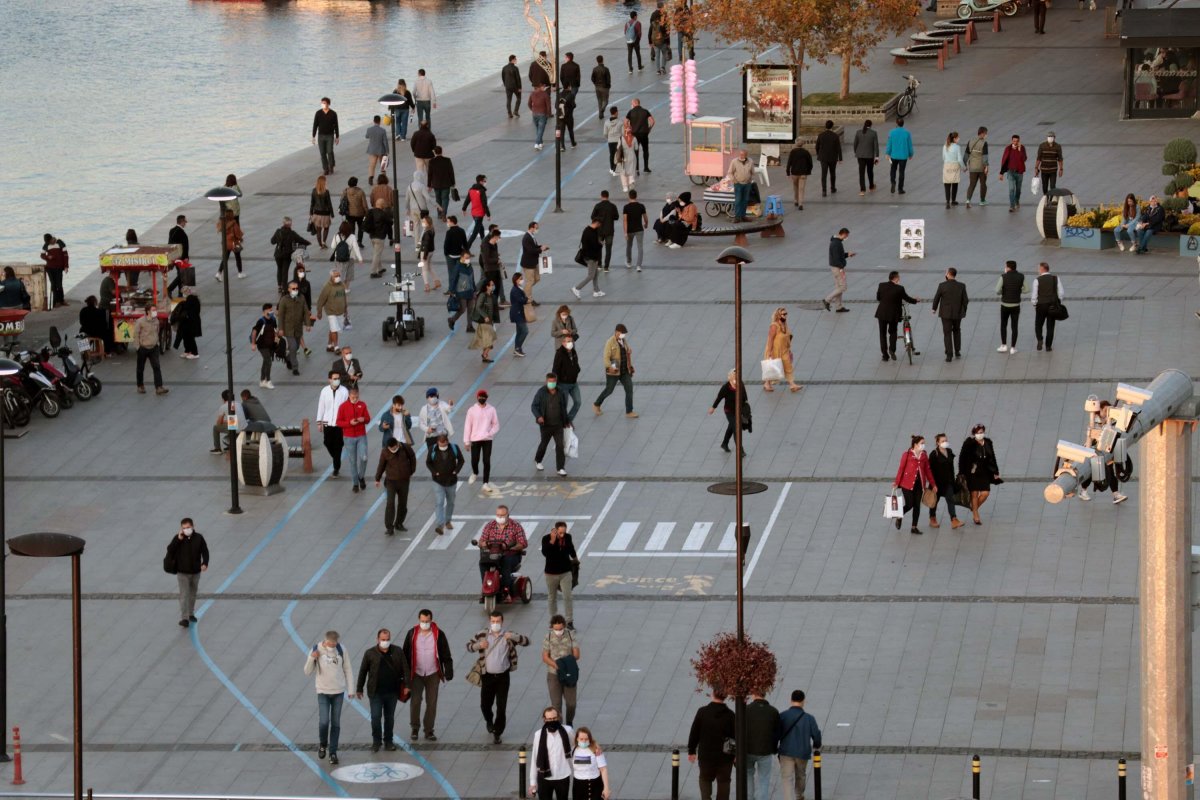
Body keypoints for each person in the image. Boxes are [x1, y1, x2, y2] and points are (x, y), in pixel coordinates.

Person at [466, 612, 530, 745]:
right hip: (487, 676)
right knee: (485, 704)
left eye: (498, 621)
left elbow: (527, 641)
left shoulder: (508, 635)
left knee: (501, 707)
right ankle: (489, 720)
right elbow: (469, 646)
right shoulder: (482, 634)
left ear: (502, 622)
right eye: (493, 621)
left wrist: (513, 636)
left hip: (503, 677)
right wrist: (479, 645)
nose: (495, 624)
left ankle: (498, 732)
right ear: (490, 621)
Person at [303, 630, 354, 766]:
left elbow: (348, 669)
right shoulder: (316, 649)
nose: (332, 646)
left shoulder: (341, 649)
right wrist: (312, 658)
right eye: (330, 644)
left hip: (338, 691)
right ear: (325, 641)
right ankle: (323, 744)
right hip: (323, 691)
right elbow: (307, 671)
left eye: (334, 643)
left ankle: (333, 752)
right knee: (324, 721)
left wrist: (351, 689)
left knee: (336, 723)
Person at [402, 609, 454, 742]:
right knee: (415, 701)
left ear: (431, 620)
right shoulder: (412, 634)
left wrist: (448, 670)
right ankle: (415, 728)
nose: (424, 623)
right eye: (422, 621)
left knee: (431, 703)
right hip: (416, 673)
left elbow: (446, 653)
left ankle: (429, 730)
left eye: (427, 621)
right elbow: (404, 654)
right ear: (419, 620)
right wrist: (404, 675)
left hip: (433, 673)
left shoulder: (438, 634)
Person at [355, 629, 407, 753]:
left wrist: (407, 685)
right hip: (375, 692)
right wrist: (359, 688)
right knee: (376, 717)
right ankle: (376, 741)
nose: (385, 642)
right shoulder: (370, 653)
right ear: (377, 640)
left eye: (387, 639)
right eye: (383, 640)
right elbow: (363, 671)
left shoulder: (397, 651)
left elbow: (406, 668)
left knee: (389, 718)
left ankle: (388, 741)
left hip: (392, 692)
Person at [687, 690, 735, 800]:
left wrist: (692, 751)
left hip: (706, 756)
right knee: (724, 782)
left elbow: (694, 732)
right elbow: (734, 737)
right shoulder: (730, 715)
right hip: (725, 757)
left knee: (705, 780)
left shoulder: (702, 712)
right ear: (726, 696)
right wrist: (734, 755)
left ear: (712, 694)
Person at [776, 690, 822, 800]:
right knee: (801, 775)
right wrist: (817, 744)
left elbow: (776, 734)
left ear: (791, 700)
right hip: (802, 752)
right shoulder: (809, 718)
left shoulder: (782, 716)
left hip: (786, 752)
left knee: (787, 777)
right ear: (803, 701)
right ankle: (799, 795)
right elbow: (816, 735)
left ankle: (788, 798)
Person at [164, 518, 208, 627]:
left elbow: (205, 551)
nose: (186, 530)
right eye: (183, 528)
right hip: (182, 572)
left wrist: (205, 563)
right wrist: (178, 539)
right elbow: (170, 549)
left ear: (193, 526)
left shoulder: (199, 538)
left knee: (192, 594)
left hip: (196, 572)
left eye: (188, 527)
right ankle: (184, 618)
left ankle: (191, 613)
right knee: (184, 595)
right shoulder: (178, 538)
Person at [959, 423, 1001, 525]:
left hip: (985, 472)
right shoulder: (969, 443)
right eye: (978, 433)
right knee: (974, 494)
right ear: (974, 434)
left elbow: (992, 457)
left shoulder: (987, 442)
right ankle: (976, 515)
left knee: (985, 493)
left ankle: (974, 507)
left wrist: (996, 471)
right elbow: (962, 458)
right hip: (973, 472)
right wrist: (962, 473)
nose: (980, 434)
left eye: (982, 432)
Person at [542, 617, 581, 728]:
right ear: (552, 627)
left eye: (560, 629)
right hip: (554, 674)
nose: (558, 631)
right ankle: (559, 726)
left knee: (571, 704)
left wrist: (566, 664)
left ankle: (569, 722)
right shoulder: (548, 637)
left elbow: (577, 654)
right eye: (556, 629)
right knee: (556, 704)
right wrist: (557, 665)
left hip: (569, 673)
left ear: (564, 626)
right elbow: (545, 657)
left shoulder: (570, 635)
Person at [892, 434, 935, 534]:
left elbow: (928, 470)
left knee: (917, 506)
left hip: (919, 485)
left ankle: (914, 527)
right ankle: (899, 515)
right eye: (922, 443)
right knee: (910, 504)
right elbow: (901, 469)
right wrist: (896, 482)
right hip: (907, 485)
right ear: (915, 444)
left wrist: (933, 484)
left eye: (924, 443)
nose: (923, 445)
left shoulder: (924, 455)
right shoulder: (907, 455)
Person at [374, 436, 417, 536]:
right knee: (390, 503)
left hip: (404, 481)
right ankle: (389, 527)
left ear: (397, 444)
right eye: (391, 449)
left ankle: (399, 523)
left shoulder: (405, 447)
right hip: (391, 481)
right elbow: (381, 465)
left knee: (403, 504)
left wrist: (411, 471)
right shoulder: (385, 452)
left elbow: (412, 457)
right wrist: (377, 478)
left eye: (394, 448)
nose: (393, 450)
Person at [594, 324, 637, 418]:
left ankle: (629, 411)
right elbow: (606, 357)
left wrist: (629, 351)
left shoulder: (624, 341)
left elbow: (626, 351)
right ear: (617, 332)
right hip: (614, 370)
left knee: (629, 389)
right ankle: (597, 404)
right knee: (609, 390)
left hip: (624, 371)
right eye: (622, 333)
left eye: (624, 334)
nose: (623, 335)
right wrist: (609, 367)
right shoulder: (610, 342)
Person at [875, 271, 918, 362]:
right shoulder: (900, 288)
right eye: (898, 277)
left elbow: (878, 298)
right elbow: (907, 299)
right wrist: (916, 300)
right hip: (893, 314)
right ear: (896, 278)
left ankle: (885, 356)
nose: (899, 279)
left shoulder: (881, 285)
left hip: (882, 313)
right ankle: (892, 350)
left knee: (882, 334)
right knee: (893, 332)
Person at [427, 432, 465, 535]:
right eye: (440, 444)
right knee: (439, 502)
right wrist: (435, 472)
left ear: (447, 442)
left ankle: (448, 520)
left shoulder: (454, 448)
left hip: (451, 481)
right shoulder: (433, 449)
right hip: (438, 481)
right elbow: (428, 462)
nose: (442, 446)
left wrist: (456, 471)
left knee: (451, 502)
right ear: (438, 442)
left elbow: (461, 460)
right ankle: (440, 524)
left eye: (444, 444)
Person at [532, 374, 570, 475]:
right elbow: (534, 406)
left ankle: (560, 468)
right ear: (546, 381)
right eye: (550, 381)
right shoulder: (541, 392)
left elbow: (563, 407)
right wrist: (539, 416)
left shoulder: (560, 392)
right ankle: (538, 460)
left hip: (558, 424)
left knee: (560, 445)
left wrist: (566, 421)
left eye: (553, 381)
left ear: (556, 381)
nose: (552, 383)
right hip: (546, 425)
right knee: (544, 444)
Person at [464, 389, 500, 490]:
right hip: (475, 439)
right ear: (477, 397)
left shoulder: (491, 409)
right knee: (474, 460)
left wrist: (489, 433)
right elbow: (468, 426)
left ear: (486, 398)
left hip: (487, 439)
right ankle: (475, 472)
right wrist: (467, 441)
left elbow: (496, 424)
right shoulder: (471, 410)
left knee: (486, 461)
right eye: (480, 397)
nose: (482, 399)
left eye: (484, 397)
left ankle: (485, 482)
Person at [745, 692, 779, 800]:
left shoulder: (746, 710)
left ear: (753, 694)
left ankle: (749, 797)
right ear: (765, 694)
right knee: (764, 779)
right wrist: (773, 748)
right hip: (765, 751)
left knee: (748, 776)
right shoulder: (773, 711)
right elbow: (777, 733)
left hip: (748, 750)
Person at [336, 385, 370, 493]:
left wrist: (363, 419)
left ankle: (361, 476)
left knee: (364, 457)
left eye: (356, 397)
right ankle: (355, 483)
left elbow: (368, 419)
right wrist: (349, 423)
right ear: (349, 396)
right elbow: (338, 422)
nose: (355, 399)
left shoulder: (362, 405)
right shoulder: (343, 407)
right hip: (349, 437)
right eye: (353, 397)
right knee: (352, 461)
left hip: (361, 436)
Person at [931, 267, 969, 362]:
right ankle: (957, 351)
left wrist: (934, 309)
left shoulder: (942, 285)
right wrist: (963, 309)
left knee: (947, 333)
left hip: (945, 314)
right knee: (957, 331)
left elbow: (937, 298)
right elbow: (965, 300)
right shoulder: (961, 286)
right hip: (958, 313)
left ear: (948, 274)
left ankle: (949, 355)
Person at [928, 433, 964, 529]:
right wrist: (933, 484)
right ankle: (932, 518)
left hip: (948, 482)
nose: (945, 442)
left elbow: (951, 468)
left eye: (946, 440)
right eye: (943, 441)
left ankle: (954, 519)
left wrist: (954, 480)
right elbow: (929, 470)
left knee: (950, 499)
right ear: (937, 443)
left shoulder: (949, 451)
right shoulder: (934, 454)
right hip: (937, 483)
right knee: (935, 501)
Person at [762, 308, 802, 392]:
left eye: (786, 313)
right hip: (774, 350)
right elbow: (770, 339)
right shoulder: (774, 326)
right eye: (783, 314)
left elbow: (788, 337)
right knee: (772, 367)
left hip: (784, 350)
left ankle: (792, 385)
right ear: (778, 315)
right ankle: (767, 383)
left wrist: (789, 349)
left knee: (788, 366)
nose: (785, 315)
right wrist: (769, 352)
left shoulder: (785, 324)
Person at [317, 371, 349, 476]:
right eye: (334, 378)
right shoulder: (324, 391)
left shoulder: (344, 391)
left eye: (338, 378)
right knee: (327, 442)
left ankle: (336, 468)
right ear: (329, 379)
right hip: (327, 422)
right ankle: (336, 457)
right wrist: (319, 421)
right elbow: (321, 406)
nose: (337, 380)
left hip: (339, 423)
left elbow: (347, 407)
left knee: (338, 445)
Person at [709, 370, 747, 454]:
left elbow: (744, 396)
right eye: (734, 376)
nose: (736, 378)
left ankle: (724, 443)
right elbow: (719, 398)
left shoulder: (740, 384)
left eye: (737, 376)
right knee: (736, 428)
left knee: (732, 426)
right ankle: (740, 450)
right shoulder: (726, 387)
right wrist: (713, 407)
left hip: (738, 410)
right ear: (730, 377)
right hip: (729, 411)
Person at [994, 260, 1028, 354]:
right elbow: (1027, 289)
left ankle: (1004, 345)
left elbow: (997, 290)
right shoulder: (1021, 276)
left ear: (1008, 267)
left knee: (1003, 325)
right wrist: (1019, 290)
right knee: (1014, 326)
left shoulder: (1003, 276)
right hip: (1016, 305)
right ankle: (1013, 347)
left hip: (1005, 304)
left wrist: (1003, 292)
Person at [271, 217, 310, 296]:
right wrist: (308, 242)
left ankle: (279, 285)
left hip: (278, 254)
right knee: (285, 271)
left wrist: (278, 240)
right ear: (290, 224)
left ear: (283, 223)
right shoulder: (292, 233)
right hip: (286, 255)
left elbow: (272, 241)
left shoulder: (278, 232)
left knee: (279, 269)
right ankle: (284, 288)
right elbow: (300, 239)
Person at [1032, 261, 1064, 352]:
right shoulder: (1056, 278)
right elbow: (1061, 292)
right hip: (1052, 305)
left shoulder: (1037, 280)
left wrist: (1034, 304)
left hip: (1041, 305)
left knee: (1038, 324)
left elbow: (1034, 295)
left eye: (1038, 268)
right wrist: (1058, 302)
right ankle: (1048, 346)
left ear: (1042, 269)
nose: (1038, 270)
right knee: (1050, 326)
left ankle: (1040, 339)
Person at [134, 309, 168, 395]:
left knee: (156, 367)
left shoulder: (156, 321)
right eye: (153, 310)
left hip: (153, 348)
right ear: (148, 311)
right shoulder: (140, 321)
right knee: (140, 368)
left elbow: (157, 331)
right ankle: (140, 385)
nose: (155, 311)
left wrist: (157, 343)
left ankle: (159, 387)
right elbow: (136, 334)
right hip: (143, 348)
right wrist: (138, 347)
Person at [570, 727, 610, 800]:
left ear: (590, 739)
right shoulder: (573, 750)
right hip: (578, 786)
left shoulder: (595, 750)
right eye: (581, 739)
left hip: (594, 784)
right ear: (577, 739)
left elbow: (603, 769)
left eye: (586, 739)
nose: (584, 741)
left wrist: (606, 788)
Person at [314, 268, 348, 352]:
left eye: (339, 275)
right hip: (331, 312)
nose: (338, 277)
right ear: (331, 276)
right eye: (336, 276)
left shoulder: (341, 285)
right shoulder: (327, 287)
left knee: (334, 328)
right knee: (334, 329)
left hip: (340, 311)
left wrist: (346, 309)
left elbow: (344, 297)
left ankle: (329, 345)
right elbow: (321, 300)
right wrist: (319, 311)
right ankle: (336, 346)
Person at [552, 333, 582, 423]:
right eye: (568, 341)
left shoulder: (573, 351)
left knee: (578, 402)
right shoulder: (559, 354)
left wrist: (577, 369)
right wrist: (555, 385)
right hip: (563, 384)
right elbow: (555, 369)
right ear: (563, 343)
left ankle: (568, 420)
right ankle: (562, 423)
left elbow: (575, 363)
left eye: (571, 341)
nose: (570, 343)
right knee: (563, 405)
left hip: (574, 383)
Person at [572, 219, 605, 300]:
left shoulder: (588, 230)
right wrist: (601, 244)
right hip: (591, 257)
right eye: (600, 224)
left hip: (592, 256)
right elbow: (594, 245)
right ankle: (577, 288)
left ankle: (596, 291)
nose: (600, 226)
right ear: (597, 223)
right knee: (591, 275)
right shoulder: (590, 233)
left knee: (596, 273)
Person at [822, 228, 853, 313]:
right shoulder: (836, 243)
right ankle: (827, 300)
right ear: (843, 234)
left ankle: (839, 307)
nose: (846, 237)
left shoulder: (836, 242)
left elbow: (839, 255)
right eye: (846, 236)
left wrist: (847, 254)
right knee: (843, 287)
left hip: (836, 267)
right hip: (837, 267)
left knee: (838, 287)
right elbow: (836, 258)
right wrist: (841, 268)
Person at [470, 278, 500, 364]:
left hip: (490, 321)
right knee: (491, 339)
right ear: (487, 286)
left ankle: (485, 356)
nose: (493, 287)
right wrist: (485, 316)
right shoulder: (483, 295)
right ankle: (484, 354)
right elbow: (478, 307)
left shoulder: (492, 295)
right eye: (491, 285)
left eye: (493, 285)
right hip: (484, 322)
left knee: (487, 340)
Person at [330, 221, 364, 293]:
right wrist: (360, 259)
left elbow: (332, 246)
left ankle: (339, 288)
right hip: (349, 258)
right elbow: (356, 248)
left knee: (340, 273)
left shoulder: (336, 235)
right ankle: (346, 288)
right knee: (349, 273)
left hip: (338, 258)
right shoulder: (352, 237)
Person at [591, 191, 620, 272]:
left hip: (599, 231)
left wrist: (598, 220)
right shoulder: (612, 206)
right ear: (608, 196)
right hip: (609, 231)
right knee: (608, 249)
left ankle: (599, 265)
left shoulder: (598, 206)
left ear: (601, 196)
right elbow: (616, 217)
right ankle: (606, 267)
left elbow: (592, 217)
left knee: (599, 248)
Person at [520, 220, 548, 306]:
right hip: (528, 264)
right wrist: (540, 249)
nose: (537, 229)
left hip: (533, 262)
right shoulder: (526, 238)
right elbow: (531, 250)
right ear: (531, 228)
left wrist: (540, 246)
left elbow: (534, 247)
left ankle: (526, 291)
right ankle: (528, 299)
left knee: (537, 279)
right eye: (536, 228)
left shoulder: (531, 236)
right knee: (530, 281)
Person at [419, 386, 456, 451]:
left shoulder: (441, 404)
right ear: (427, 398)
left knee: (444, 452)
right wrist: (427, 429)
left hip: (442, 435)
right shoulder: (424, 409)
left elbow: (449, 409)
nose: (433, 398)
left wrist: (451, 405)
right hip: (431, 436)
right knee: (432, 454)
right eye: (431, 396)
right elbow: (421, 423)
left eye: (434, 396)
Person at [998, 134, 1027, 212]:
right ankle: (1012, 205)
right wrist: (1001, 173)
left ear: (1019, 141)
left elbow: (1024, 159)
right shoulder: (1008, 148)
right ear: (1012, 141)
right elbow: (1004, 160)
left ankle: (1017, 200)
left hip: (1019, 172)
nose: (1015, 142)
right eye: (1014, 141)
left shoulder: (1022, 148)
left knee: (1018, 189)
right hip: (1010, 172)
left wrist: (1020, 149)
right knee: (1011, 189)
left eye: (1017, 141)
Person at [210, 389, 245, 454]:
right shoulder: (238, 404)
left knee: (215, 428)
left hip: (236, 428)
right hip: (244, 427)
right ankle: (230, 446)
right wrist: (226, 421)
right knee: (230, 423)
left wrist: (223, 420)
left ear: (223, 399)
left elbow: (218, 423)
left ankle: (217, 449)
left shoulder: (223, 407)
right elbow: (234, 419)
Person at [365, 199, 393, 278]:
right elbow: (390, 222)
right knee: (376, 254)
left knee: (377, 253)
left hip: (372, 236)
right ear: (382, 205)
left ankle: (380, 268)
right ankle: (373, 272)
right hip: (380, 237)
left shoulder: (371, 212)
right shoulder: (383, 214)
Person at [885, 118, 914, 195]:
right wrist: (911, 154)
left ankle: (893, 182)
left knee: (893, 170)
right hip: (903, 156)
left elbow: (889, 144)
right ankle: (900, 189)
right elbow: (909, 145)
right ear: (903, 124)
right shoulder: (907, 133)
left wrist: (887, 153)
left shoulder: (892, 132)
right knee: (902, 172)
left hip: (894, 156)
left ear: (896, 123)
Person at [311, 97, 340, 175]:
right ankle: (325, 168)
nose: (323, 104)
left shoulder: (333, 113)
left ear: (328, 104)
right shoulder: (318, 113)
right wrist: (313, 136)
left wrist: (337, 137)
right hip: (321, 136)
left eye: (324, 103)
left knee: (330, 151)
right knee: (322, 153)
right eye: (322, 103)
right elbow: (315, 125)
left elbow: (336, 125)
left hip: (330, 135)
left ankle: (331, 166)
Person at [428, 146, 457, 221]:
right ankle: (444, 214)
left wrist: (429, 185)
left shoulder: (431, 161)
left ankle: (439, 214)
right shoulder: (447, 160)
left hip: (436, 184)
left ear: (434, 152)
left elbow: (429, 174)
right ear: (442, 151)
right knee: (445, 199)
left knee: (438, 199)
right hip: (446, 183)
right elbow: (451, 172)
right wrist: (453, 182)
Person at [463, 175, 491, 250]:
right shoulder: (481, 191)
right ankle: (466, 248)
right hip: (480, 213)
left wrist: (464, 208)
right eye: (484, 181)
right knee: (475, 232)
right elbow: (484, 204)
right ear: (480, 181)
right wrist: (488, 214)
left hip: (474, 213)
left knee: (480, 228)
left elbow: (467, 200)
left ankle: (484, 244)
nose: (485, 183)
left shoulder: (471, 189)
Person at [625, 98, 654, 173]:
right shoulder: (645, 111)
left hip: (635, 135)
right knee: (645, 150)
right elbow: (652, 121)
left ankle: (636, 168)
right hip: (644, 134)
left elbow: (625, 122)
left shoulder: (631, 112)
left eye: (632, 103)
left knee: (635, 151)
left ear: (634, 103)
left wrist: (629, 128)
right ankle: (646, 167)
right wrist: (649, 129)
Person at [214, 208, 244, 281]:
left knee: (225, 258)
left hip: (225, 242)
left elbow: (219, 229)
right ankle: (240, 273)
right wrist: (241, 238)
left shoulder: (221, 222)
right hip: (233, 242)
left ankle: (219, 273)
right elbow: (238, 233)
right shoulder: (233, 223)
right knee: (238, 257)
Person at [727, 149, 756, 222]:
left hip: (747, 184)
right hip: (738, 184)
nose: (741, 156)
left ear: (746, 155)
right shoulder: (734, 161)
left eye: (743, 155)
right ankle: (737, 217)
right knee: (738, 200)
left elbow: (753, 172)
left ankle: (743, 216)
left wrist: (750, 179)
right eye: (740, 154)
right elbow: (730, 172)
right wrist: (734, 181)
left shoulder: (750, 161)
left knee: (745, 200)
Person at [172, 289, 202, 360]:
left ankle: (195, 353)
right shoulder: (191, 299)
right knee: (186, 337)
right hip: (187, 322)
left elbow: (188, 309)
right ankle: (188, 351)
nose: (183, 294)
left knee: (190, 338)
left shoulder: (191, 299)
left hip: (191, 322)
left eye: (184, 292)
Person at [622, 190, 648, 271]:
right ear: (636, 196)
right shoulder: (641, 206)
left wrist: (625, 232)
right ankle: (638, 266)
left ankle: (629, 262)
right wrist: (646, 224)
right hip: (639, 229)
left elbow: (625, 220)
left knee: (629, 246)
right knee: (640, 247)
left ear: (629, 196)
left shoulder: (626, 207)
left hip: (630, 230)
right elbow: (645, 217)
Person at [815, 120, 842, 197]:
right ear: (832, 126)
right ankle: (833, 188)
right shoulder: (835, 136)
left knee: (824, 174)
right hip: (833, 157)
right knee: (832, 173)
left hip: (823, 157)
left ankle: (824, 190)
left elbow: (817, 146)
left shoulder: (821, 135)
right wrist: (840, 158)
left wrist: (818, 154)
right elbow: (838, 148)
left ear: (825, 126)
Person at [852, 120, 879, 195]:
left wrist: (856, 152)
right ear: (871, 125)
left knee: (861, 172)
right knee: (870, 171)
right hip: (870, 156)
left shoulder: (858, 132)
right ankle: (871, 186)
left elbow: (855, 144)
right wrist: (877, 157)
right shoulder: (873, 133)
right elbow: (876, 146)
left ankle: (862, 190)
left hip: (860, 155)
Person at [964, 126, 989, 208]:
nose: (986, 135)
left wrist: (964, 164)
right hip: (981, 167)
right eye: (986, 133)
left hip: (972, 167)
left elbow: (966, 154)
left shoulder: (970, 141)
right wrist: (986, 167)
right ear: (982, 133)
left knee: (972, 184)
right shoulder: (984, 143)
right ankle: (982, 200)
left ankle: (968, 200)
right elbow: (985, 157)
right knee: (983, 184)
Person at [341, 176, 369, 246]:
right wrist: (367, 211)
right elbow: (364, 204)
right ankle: (359, 241)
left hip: (349, 214)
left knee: (351, 228)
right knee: (361, 228)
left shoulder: (345, 191)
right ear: (356, 183)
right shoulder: (361, 192)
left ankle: (353, 242)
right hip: (360, 213)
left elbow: (342, 201)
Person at [443, 216, 468, 292]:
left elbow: (446, 244)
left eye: (448, 222)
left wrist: (446, 253)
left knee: (451, 273)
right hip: (459, 255)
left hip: (451, 256)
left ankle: (451, 290)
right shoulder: (462, 230)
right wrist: (466, 252)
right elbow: (465, 243)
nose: (447, 223)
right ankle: (461, 288)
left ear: (452, 222)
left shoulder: (449, 232)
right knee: (460, 272)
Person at [942, 131, 966, 209]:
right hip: (955, 166)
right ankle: (953, 200)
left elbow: (943, 157)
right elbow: (959, 159)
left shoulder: (945, 146)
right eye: (958, 137)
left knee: (947, 184)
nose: (959, 139)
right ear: (955, 139)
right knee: (955, 183)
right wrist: (964, 167)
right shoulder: (957, 147)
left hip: (947, 165)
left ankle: (947, 202)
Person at [785, 144, 812, 209]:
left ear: (796, 144)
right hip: (803, 173)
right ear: (802, 144)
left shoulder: (793, 152)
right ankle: (800, 204)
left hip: (794, 173)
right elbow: (810, 163)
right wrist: (808, 171)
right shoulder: (806, 152)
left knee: (795, 187)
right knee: (801, 189)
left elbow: (789, 163)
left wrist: (788, 173)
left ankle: (796, 200)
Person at [615, 121, 640, 193]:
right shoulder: (634, 138)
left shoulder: (621, 138)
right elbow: (636, 148)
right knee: (631, 170)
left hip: (623, 157)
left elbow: (618, 148)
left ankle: (625, 186)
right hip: (632, 156)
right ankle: (631, 183)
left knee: (623, 172)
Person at [310, 175, 334, 250]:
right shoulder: (326, 192)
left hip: (316, 213)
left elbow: (312, 203)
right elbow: (329, 203)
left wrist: (311, 213)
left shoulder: (314, 191)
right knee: (326, 228)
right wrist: (332, 213)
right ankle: (324, 242)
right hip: (325, 213)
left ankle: (320, 244)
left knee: (318, 230)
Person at [166, 218, 188, 298]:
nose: (185, 223)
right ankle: (170, 289)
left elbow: (169, 243)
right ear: (181, 222)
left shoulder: (172, 230)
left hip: (173, 256)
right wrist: (185, 257)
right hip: (180, 257)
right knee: (182, 274)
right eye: (185, 222)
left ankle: (180, 293)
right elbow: (184, 246)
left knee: (180, 274)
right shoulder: (181, 232)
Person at [418, 215, 440, 292]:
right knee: (429, 267)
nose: (422, 222)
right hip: (431, 251)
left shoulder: (427, 232)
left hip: (425, 251)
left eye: (424, 221)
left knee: (424, 269)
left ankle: (426, 285)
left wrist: (424, 255)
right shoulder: (431, 229)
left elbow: (426, 244)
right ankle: (437, 281)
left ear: (428, 223)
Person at [365, 116, 389, 185]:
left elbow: (366, 136)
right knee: (383, 165)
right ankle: (383, 177)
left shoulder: (369, 129)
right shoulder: (382, 130)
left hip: (372, 150)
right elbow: (385, 141)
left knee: (372, 165)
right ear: (380, 121)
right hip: (381, 150)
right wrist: (387, 150)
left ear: (374, 121)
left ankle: (370, 177)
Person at [529, 84, 553, 151]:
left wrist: (533, 109)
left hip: (534, 114)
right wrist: (548, 114)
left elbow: (529, 104)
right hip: (542, 114)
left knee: (538, 129)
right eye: (544, 87)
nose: (545, 88)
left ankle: (540, 143)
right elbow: (548, 106)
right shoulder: (545, 95)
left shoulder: (532, 93)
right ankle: (536, 143)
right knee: (540, 130)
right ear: (541, 87)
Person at [556, 81, 578, 151]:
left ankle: (562, 146)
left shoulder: (559, 94)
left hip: (561, 116)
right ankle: (573, 143)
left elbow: (556, 105)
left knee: (562, 131)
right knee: (570, 130)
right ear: (569, 87)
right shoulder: (571, 95)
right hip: (569, 116)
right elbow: (573, 105)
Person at [591, 56, 611, 121]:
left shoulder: (595, 69)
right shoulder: (606, 69)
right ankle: (602, 109)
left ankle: (600, 115)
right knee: (605, 100)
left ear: (597, 61)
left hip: (597, 87)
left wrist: (595, 83)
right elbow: (608, 79)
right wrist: (608, 86)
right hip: (604, 87)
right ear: (602, 60)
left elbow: (592, 78)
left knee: (599, 101)